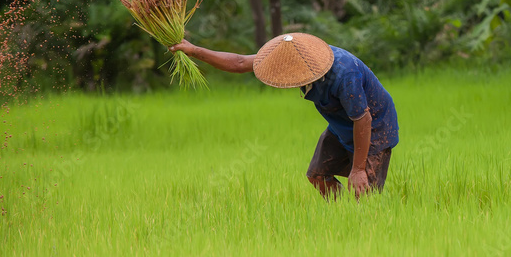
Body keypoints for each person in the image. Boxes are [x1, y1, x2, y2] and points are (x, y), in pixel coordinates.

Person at [169, 33, 398, 199]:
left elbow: (363, 119)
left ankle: (364, 221)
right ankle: (343, 216)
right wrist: (194, 50)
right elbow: (240, 62)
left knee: (365, 193)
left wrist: (357, 170)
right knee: (318, 176)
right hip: (340, 124)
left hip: (373, 126)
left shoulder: (344, 74)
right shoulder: (290, 54)